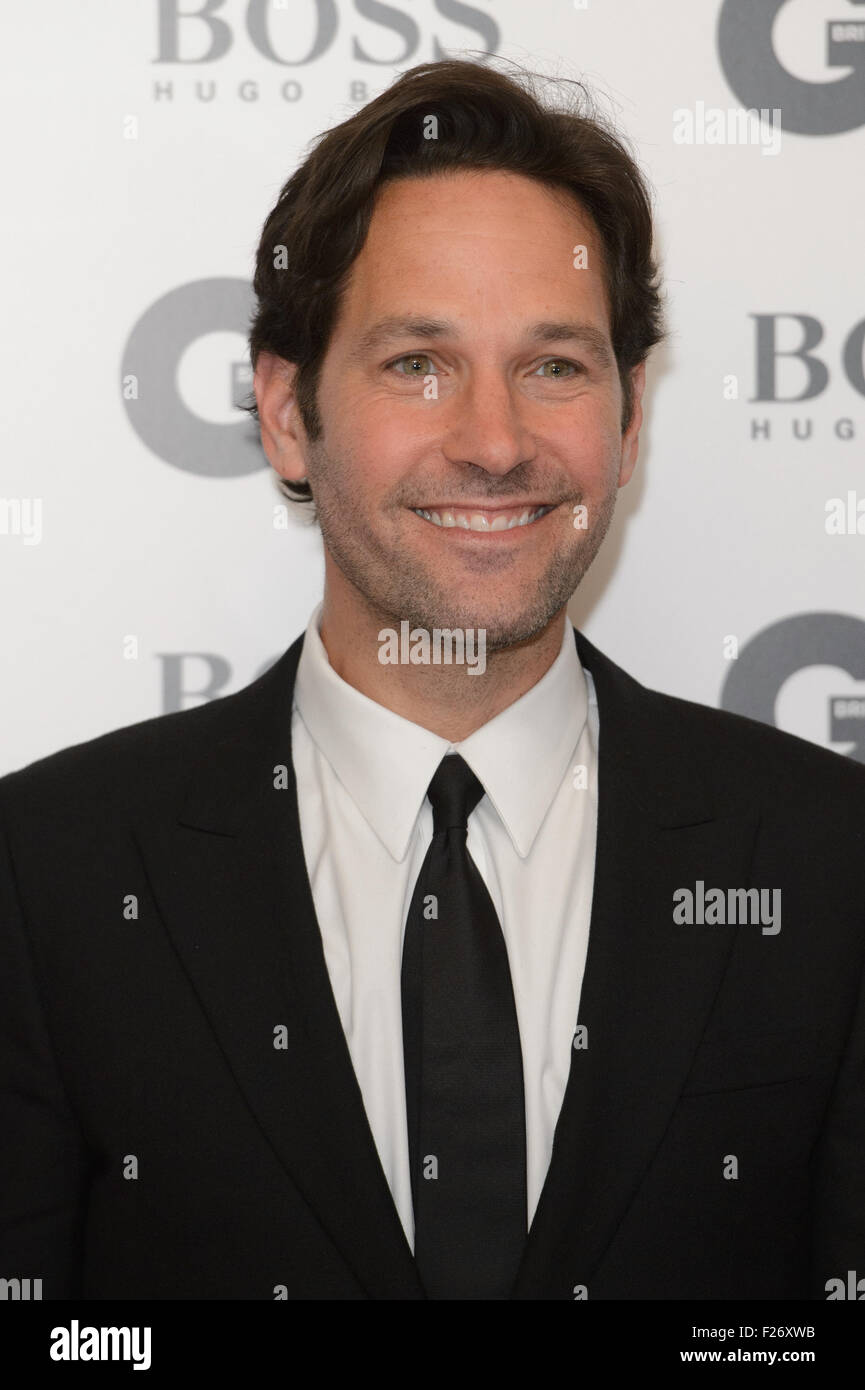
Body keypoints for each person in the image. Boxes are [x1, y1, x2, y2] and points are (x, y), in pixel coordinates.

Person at [1, 58, 863, 1302]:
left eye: (555, 365)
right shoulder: (55, 878)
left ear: (628, 424)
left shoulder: (825, 863)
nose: (496, 441)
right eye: (418, 362)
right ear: (288, 413)